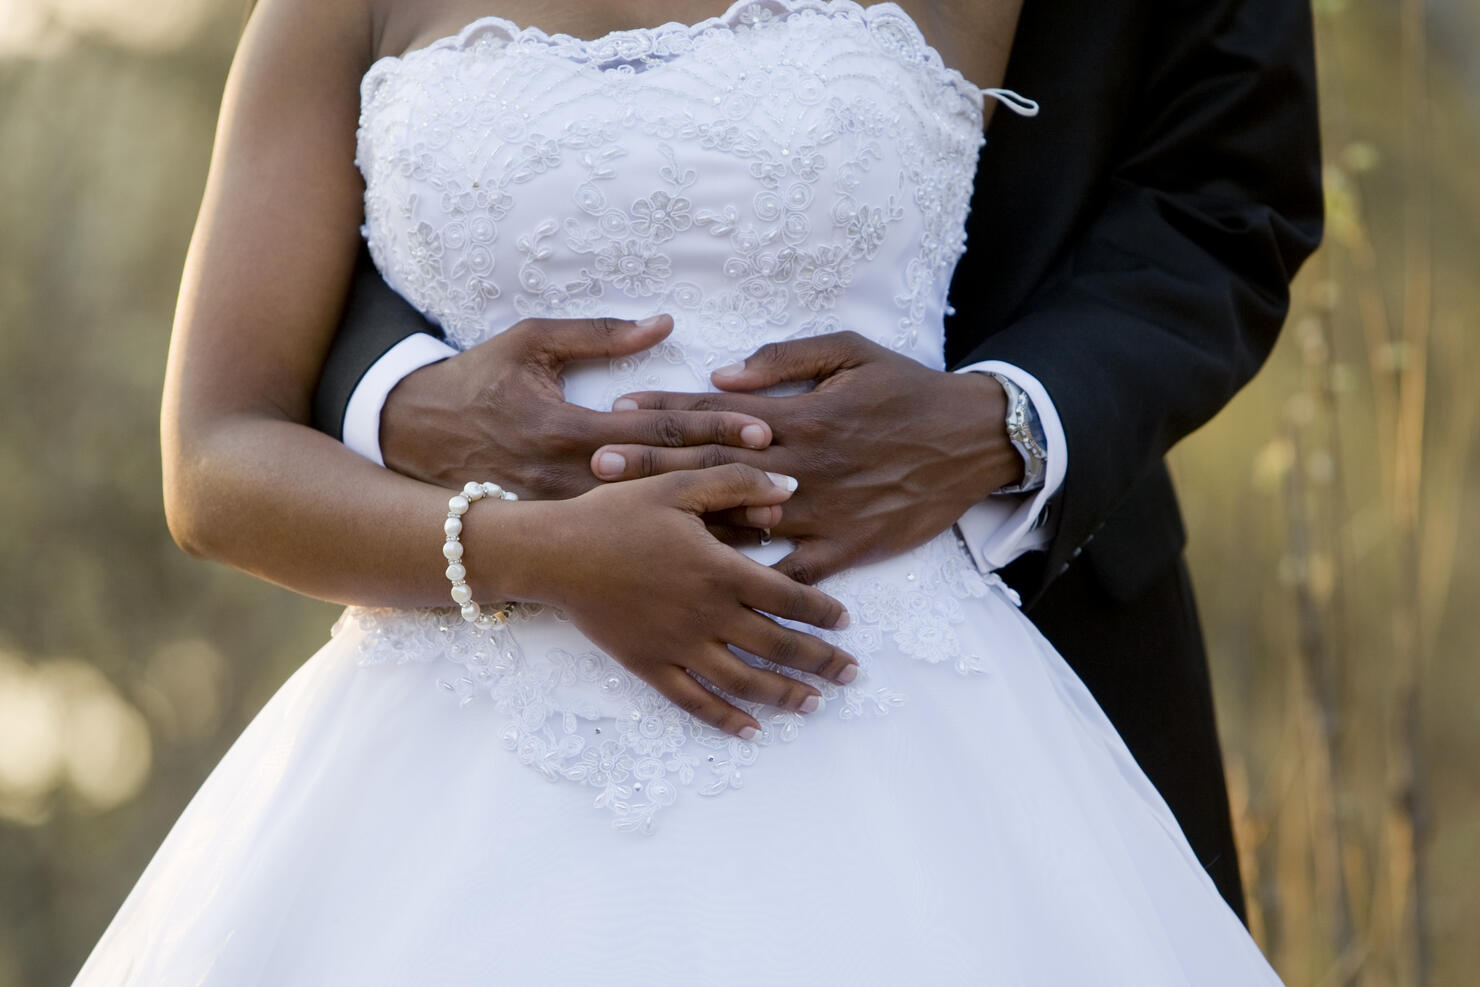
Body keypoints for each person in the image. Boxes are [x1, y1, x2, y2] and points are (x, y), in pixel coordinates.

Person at [74, 0, 1309, 982]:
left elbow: (1218, 189)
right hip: (452, 728)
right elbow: (218, 449)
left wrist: (995, 418)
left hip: (901, 698)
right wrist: (529, 549)